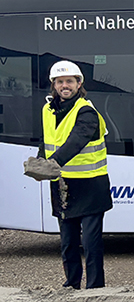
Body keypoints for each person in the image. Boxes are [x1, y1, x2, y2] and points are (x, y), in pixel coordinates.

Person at [35, 60, 112, 289]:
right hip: (63, 185)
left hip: (91, 186)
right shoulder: (48, 110)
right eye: (60, 82)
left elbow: (76, 140)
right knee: (68, 243)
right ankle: (71, 285)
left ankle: (95, 288)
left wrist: (52, 163)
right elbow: (48, 141)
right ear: (54, 85)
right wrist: (40, 161)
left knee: (91, 243)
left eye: (69, 81)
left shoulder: (86, 111)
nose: (64, 85)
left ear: (79, 84)